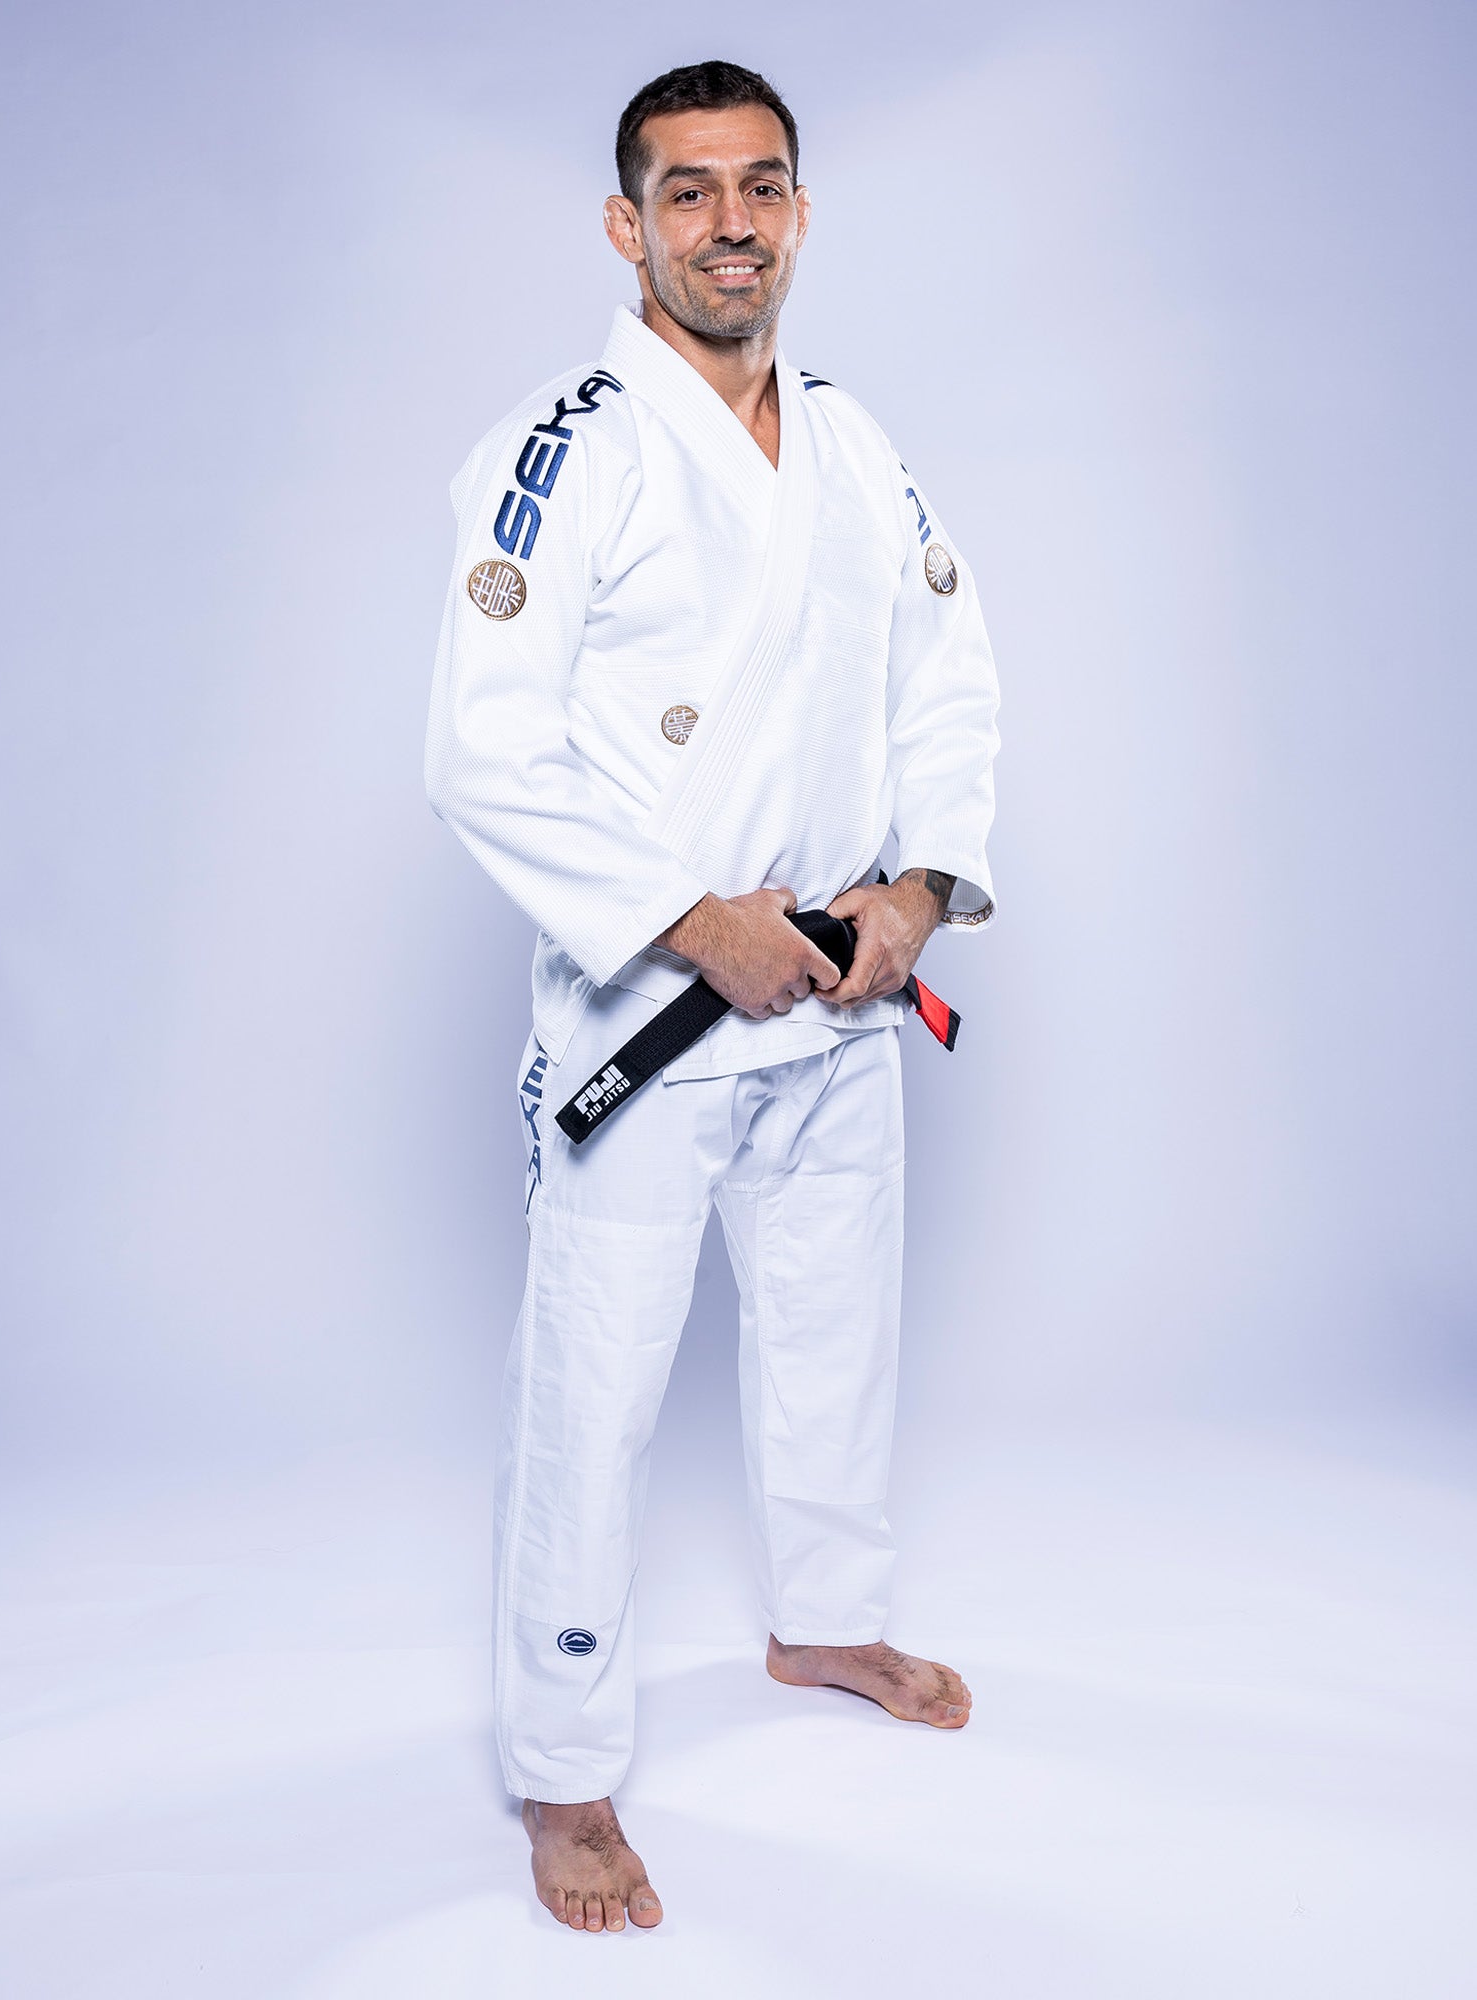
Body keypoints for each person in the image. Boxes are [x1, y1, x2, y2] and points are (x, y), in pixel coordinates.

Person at [424, 58, 1000, 1934]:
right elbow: (483, 753)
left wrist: (920, 882)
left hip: (837, 991)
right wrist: (687, 920)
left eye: (762, 186)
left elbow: (948, 671)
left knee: (839, 1327)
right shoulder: (565, 443)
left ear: (802, 215)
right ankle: (567, 1774)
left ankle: (827, 1624)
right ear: (628, 225)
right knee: (592, 1394)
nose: (731, 221)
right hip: (648, 1020)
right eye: (689, 192)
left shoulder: (853, 438)